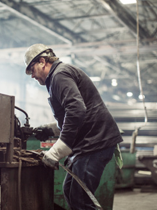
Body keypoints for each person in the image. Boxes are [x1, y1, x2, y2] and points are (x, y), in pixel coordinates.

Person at [24, 43, 123, 210]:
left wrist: (57, 151)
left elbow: (77, 110)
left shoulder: (59, 75)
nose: (32, 76)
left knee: (80, 199)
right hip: (90, 142)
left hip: (94, 142)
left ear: (42, 61)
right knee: (70, 192)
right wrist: (52, 129)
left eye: (31, 70)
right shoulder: (57, 76)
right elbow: (75, 114)